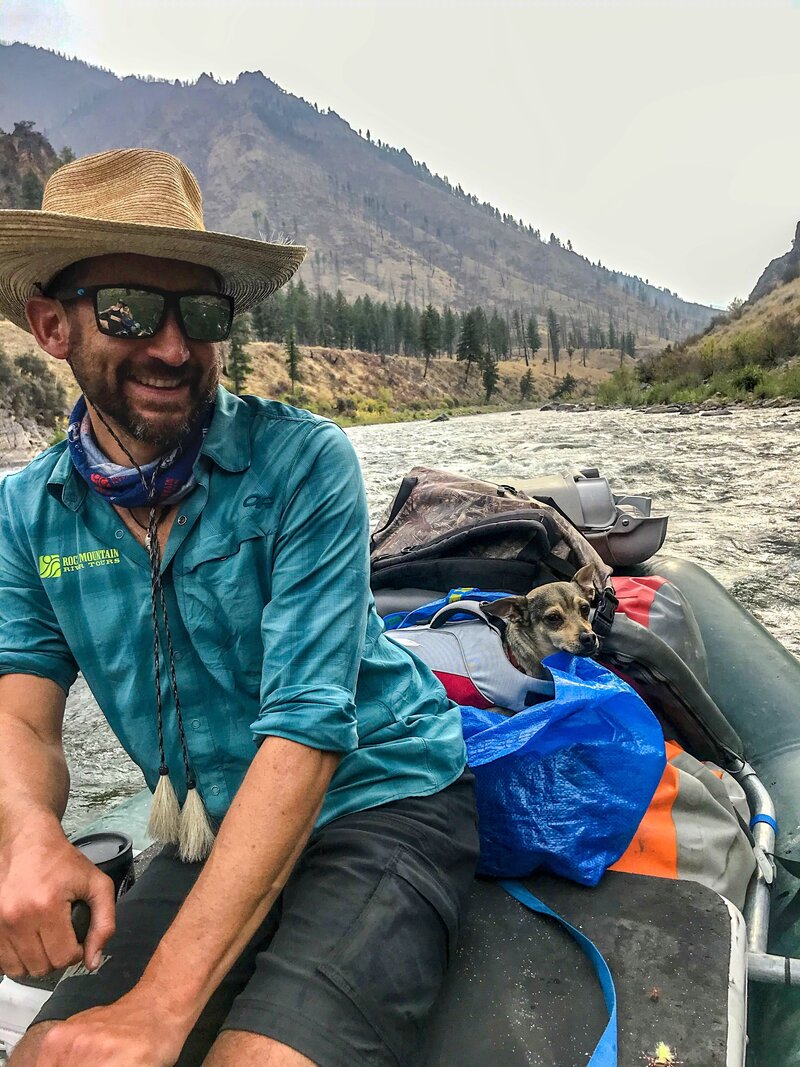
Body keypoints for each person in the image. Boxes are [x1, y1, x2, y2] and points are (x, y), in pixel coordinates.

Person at [0, 148, 478, 1067]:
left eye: (202, 314)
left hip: (381, 797)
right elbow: (23, 722)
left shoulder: (305, 464)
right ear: (52, 326)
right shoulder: (28, 516)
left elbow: (305, 734)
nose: (173, 346)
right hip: (209, 823)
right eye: (131, 309)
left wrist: (160, 1010)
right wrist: (27, 832)